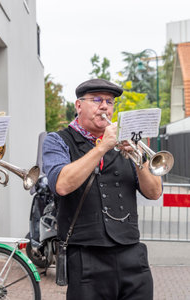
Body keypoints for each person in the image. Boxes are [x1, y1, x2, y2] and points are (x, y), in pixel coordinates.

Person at [42, 78, 162, 300]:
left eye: (109, 101)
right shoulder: (57, 141)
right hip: (87, 257)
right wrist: (103, 146)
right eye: (96, 100)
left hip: (131, 254)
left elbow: (154, 192)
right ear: (79, 106)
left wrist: (139, 158)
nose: (104, 106)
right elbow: (61, 184)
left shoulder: (125, 141)